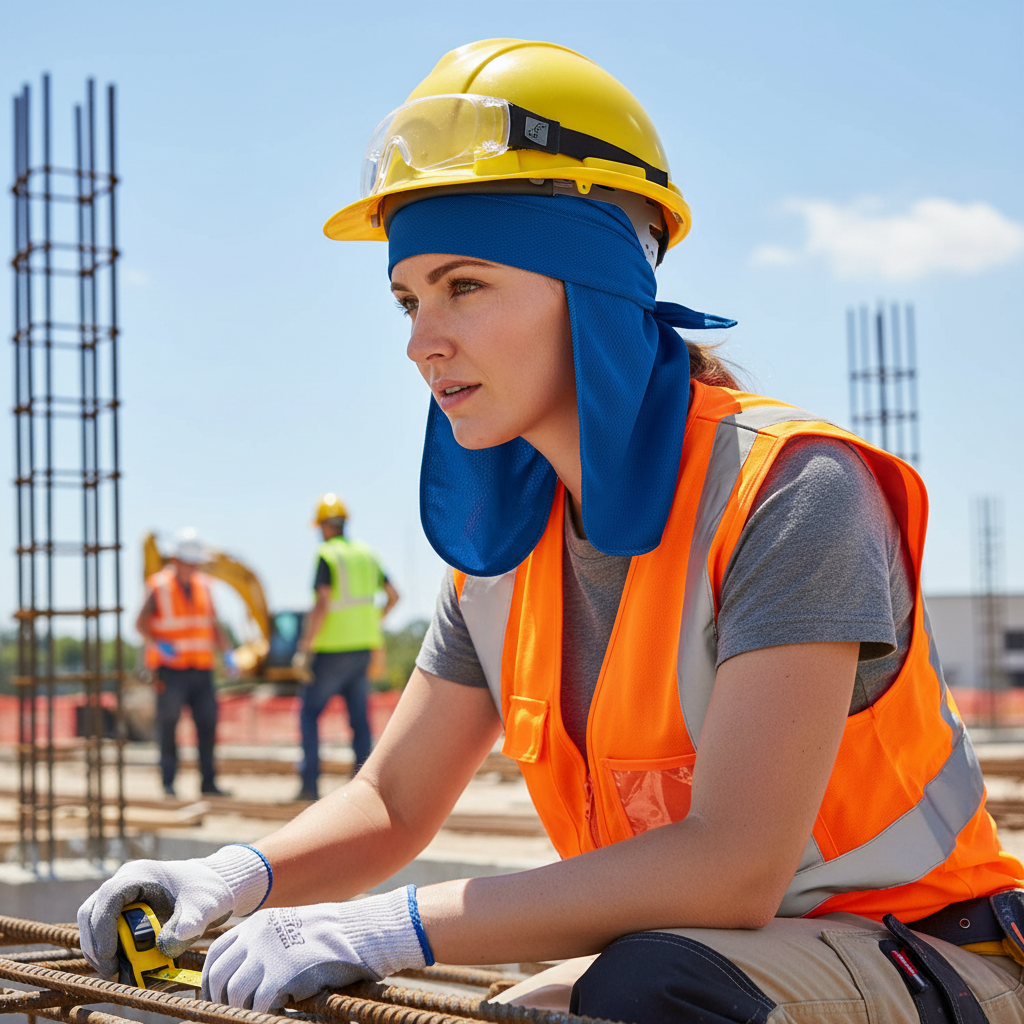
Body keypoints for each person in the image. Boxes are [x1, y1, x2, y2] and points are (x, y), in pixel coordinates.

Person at [81, 40, 1024, 1022]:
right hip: (711, 958)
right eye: (407, 299)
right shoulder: (501, 553)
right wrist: (233, 876)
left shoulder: (789, 489)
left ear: (591, 283)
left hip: (916, 953)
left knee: (639, 989)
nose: (419, 341)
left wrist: (376, 926)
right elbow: (394, 805)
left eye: (464, 286)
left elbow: (734, 864)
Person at [292, 493, 399, 800]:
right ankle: (363, 789)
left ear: (324, 526)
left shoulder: (327, 554)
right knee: (359, 720)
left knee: (309, 714)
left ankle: (309, 785)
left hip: (330, 651)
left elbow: (323, 601)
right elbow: (393, 595)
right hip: (362, 648)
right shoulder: (368, 555)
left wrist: (305, 646)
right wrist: (371, 623)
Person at [137, 528, 234, 798]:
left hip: (202, 669)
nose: (192, 568)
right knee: (168, 726)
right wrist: (156, 644)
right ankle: (168, 784)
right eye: (188, 563)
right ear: (176, 560)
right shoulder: (159, 586)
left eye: (195, 563)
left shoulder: (204, 586)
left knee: (207, 725)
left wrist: (227, 652)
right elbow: (140, 623)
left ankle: (209, 784)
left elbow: (213, 624)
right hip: (171, 670)